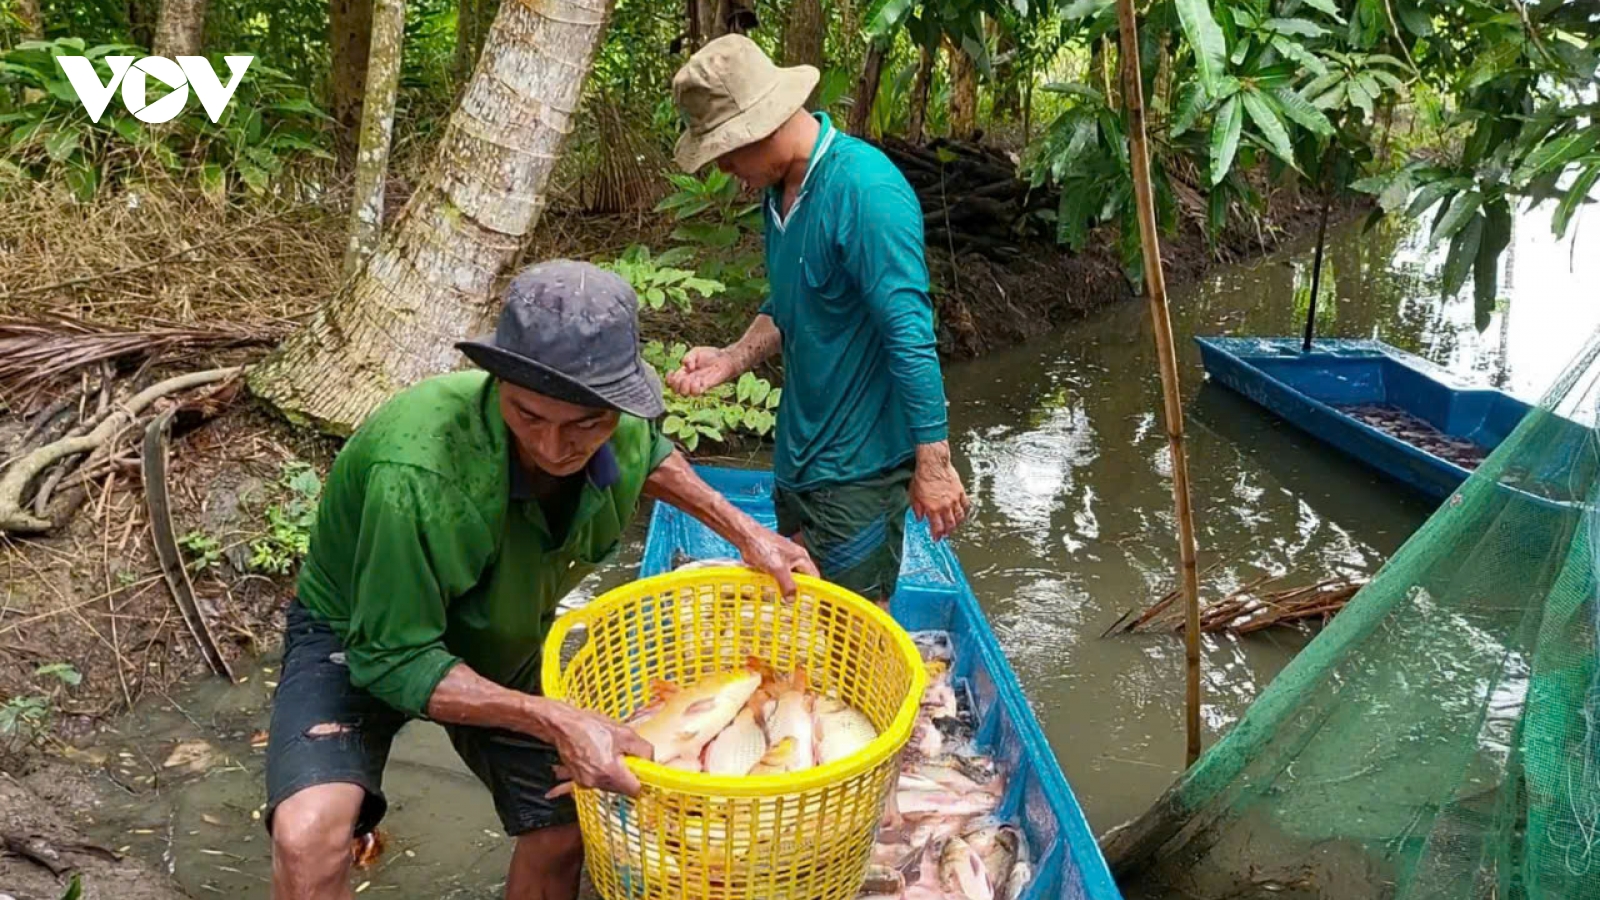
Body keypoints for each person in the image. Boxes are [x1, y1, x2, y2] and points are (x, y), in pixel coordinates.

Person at [263, 260, 816, 900]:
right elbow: (391, 656)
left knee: (565, 826)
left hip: (500, 634)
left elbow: (653, 458)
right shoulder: (416, 473)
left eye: (585, 425)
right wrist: (554, 719)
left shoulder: (618, 419)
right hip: (360, 630)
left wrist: (749, 533)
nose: (555, 446)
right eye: (530, 417)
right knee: (309, 836)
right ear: (498, 383)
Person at [666, 35, 971, 605]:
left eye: (728, 153)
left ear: (763, 125)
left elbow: (910, 336)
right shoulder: (779, 191)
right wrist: (731, 359)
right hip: (799, 461)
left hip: (859, 473)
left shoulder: (865, 189)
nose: (728, 170)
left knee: (852, 630)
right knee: (800, 615)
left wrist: (934, 464)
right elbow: (790, 304)